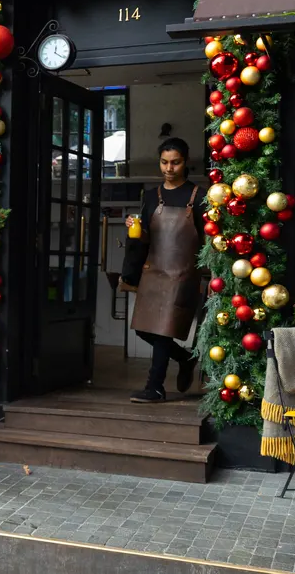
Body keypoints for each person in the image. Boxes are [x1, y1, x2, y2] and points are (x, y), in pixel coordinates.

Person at [122, 136, 207, 403]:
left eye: (175, 162)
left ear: (186, 162)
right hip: (154, 271)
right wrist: (134, 232)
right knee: (143, 329)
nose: (169, 168)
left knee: (162, 330)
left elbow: (207, 240)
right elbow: (146, 238)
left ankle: (155, 388)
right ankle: (184, 358)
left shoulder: (199, 197)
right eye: (164, 162)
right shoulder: (150, 196)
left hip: (182, 273)